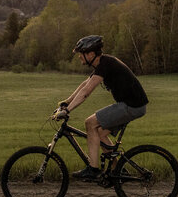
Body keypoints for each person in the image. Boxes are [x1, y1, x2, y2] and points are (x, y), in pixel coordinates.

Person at [54, 35, 148, 181]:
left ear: (91, 54)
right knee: (99, 133)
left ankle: (93, 169)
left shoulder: (106, 64)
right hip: (131, 105)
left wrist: (67, 111)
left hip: (131, 106)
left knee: (90, 123)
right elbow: (85, 85)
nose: (79, 57)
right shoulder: (102, 64)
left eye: (81, 53)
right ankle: (117, 170)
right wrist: (66, 102)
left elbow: (86, 93)